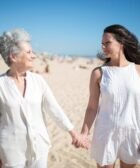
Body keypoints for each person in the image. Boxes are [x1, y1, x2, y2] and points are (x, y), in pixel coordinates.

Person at [0, 28, 87, 168]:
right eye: (29, 52)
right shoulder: (1, 84)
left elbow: (54, 109)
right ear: (13, 56)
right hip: (11, 152)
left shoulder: (38, 81)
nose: (34, 56)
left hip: (39, 149)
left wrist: (74, 133)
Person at [73, 24, 140, 168]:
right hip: (105, 133)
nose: (103, 47)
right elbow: (92, 107)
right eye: (102, 44)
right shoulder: (99, 73)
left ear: (121, 42)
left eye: (107, 43)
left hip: (132, 134)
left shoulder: (138, 70)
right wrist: (84, 133)